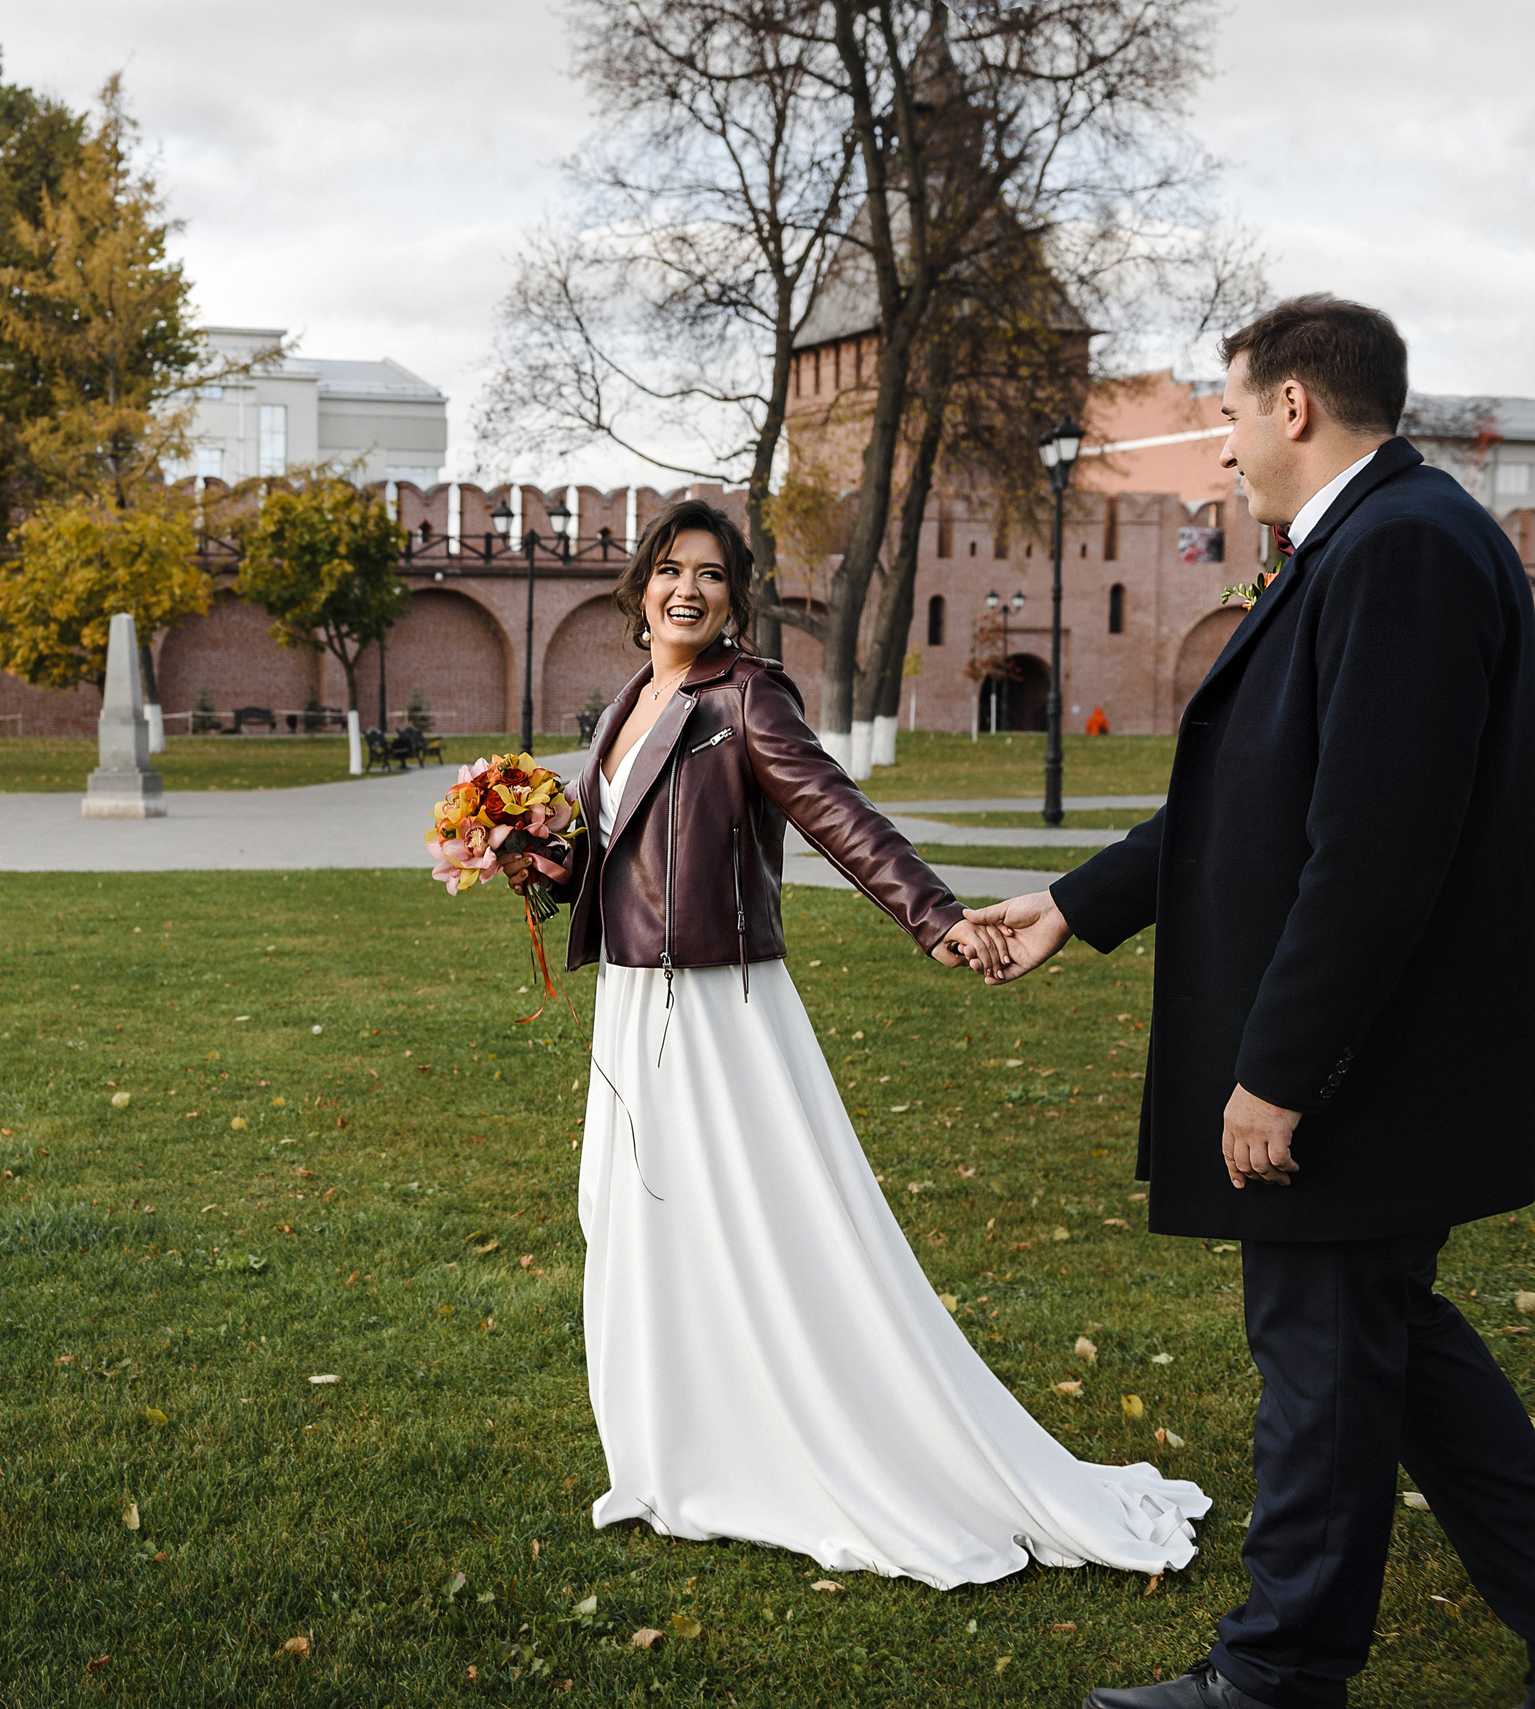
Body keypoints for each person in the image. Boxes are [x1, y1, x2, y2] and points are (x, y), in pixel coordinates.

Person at [965, 296, 1535, 1709]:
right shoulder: (1370, 540)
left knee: (1327, 1367)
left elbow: (1376, 849)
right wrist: (1075, 903)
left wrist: (1280, 1070)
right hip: (1379, 1067)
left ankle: (1278, 1677)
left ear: (1293, 405)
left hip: (1364, 1072)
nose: (1221, 442)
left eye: (1231, 409)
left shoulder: (1401, 550)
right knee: (1394, 1357)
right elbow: (1254, 800)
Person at [500, 496, 1208, 1589]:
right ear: (638, 585)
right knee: (637, 1217)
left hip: (719, 1004)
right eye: (670, 569)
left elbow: (836, 811)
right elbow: (620, 850)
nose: (688, 588)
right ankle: (677, 1447)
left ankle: (798, 1441)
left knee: (756, 1225)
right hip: (634, 1003)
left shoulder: (744, 698)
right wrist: (540, 863)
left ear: (735, 598)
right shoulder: (628, 702)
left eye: (712, 575)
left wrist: (932, 915)